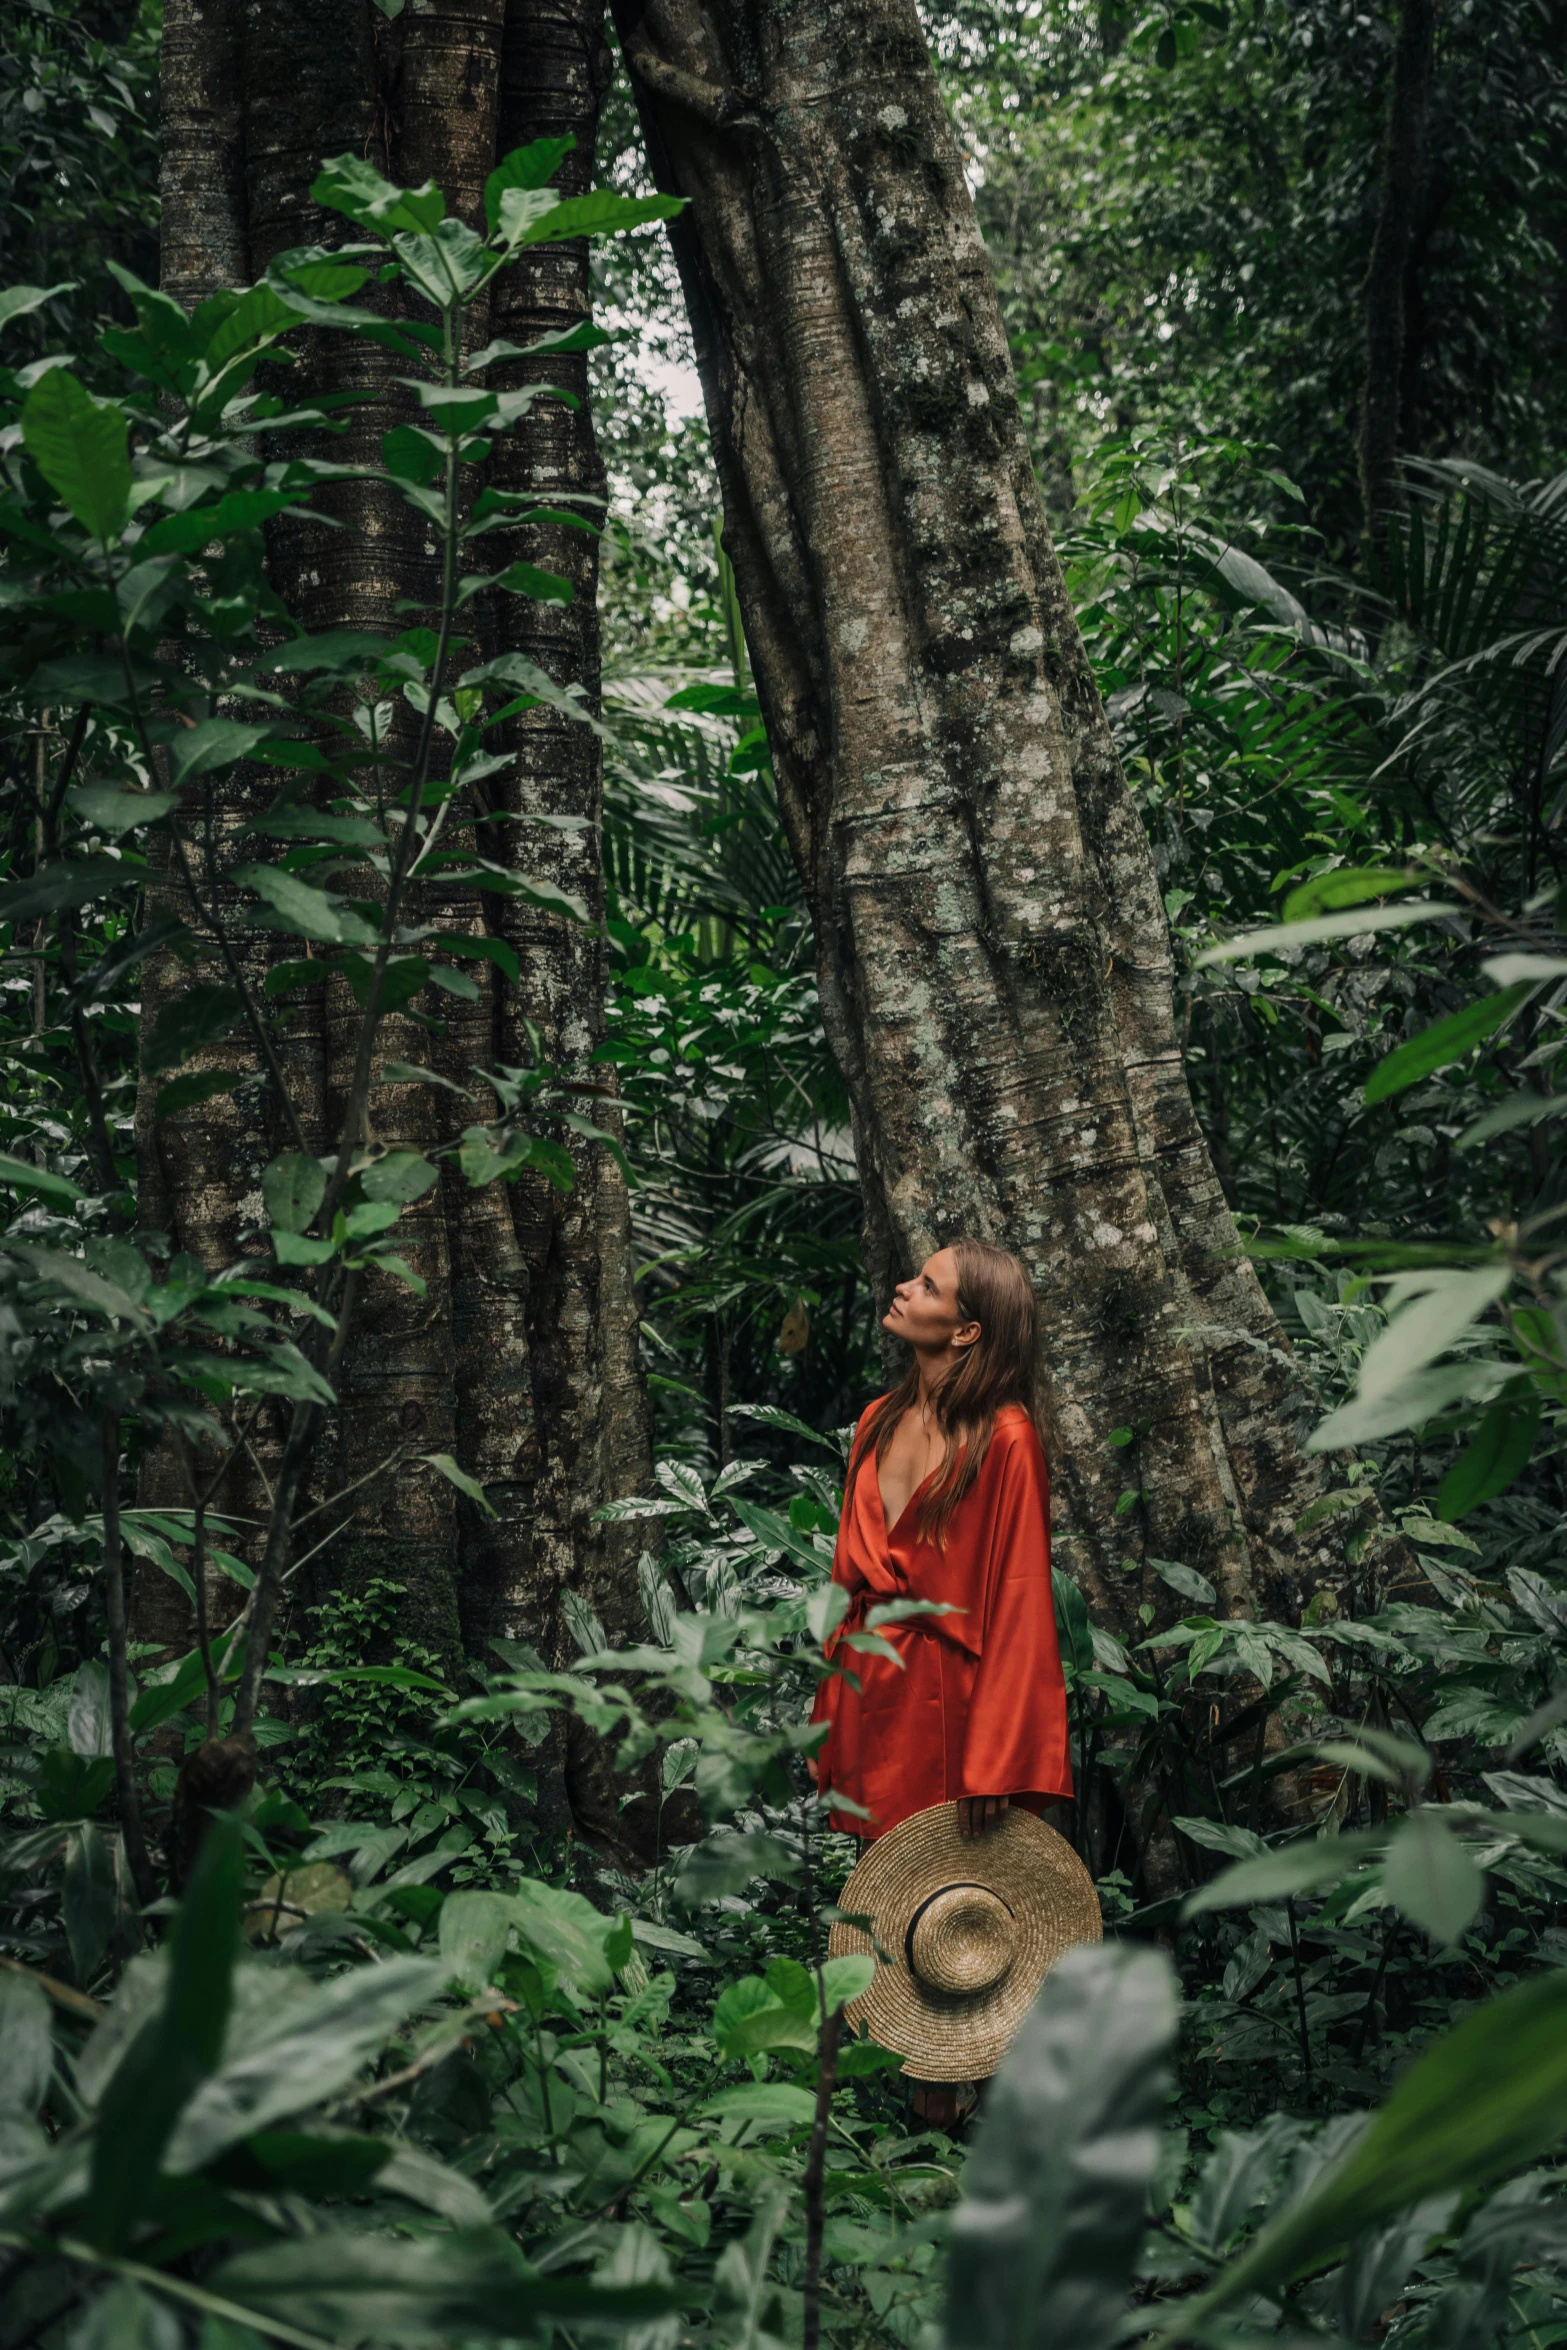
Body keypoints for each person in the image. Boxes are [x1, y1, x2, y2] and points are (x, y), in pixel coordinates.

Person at [809, 1237, 1072, 2126]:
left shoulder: (1005, 1438)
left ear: (964, 1330)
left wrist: (998, 1758)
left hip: (953, 1712)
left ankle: (989, 2099)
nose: (901, 1285)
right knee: (886, 1899)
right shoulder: (877, 1419)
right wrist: (827, 1714)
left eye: (925, 1284)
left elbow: (1021, 1601)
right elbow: (850, 1590)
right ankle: (923, 2104)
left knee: (967, 1902)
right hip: (871, 1693)